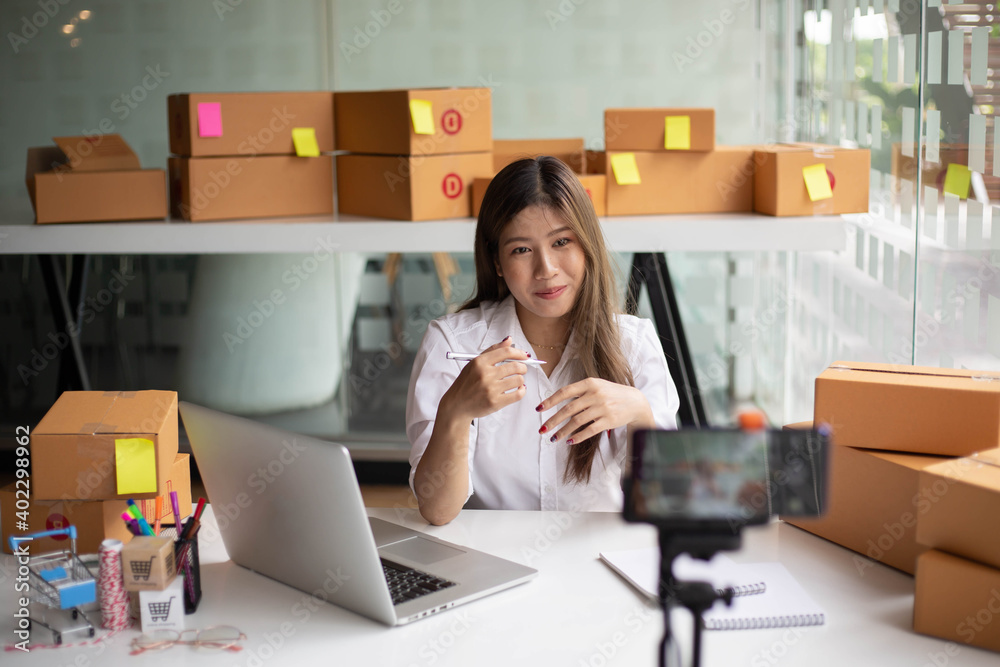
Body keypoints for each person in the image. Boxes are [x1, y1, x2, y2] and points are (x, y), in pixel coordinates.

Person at [405, 156, 679, 525]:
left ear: (587, 245)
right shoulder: (453, 344)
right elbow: (436, 510)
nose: (546, 269)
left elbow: (665, 504)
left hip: (600, 560)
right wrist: (456, 411)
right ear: (497, 262)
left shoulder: (635, 344)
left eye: (562, 241)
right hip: (496, 563)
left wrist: (639, 414)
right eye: (521, 249)